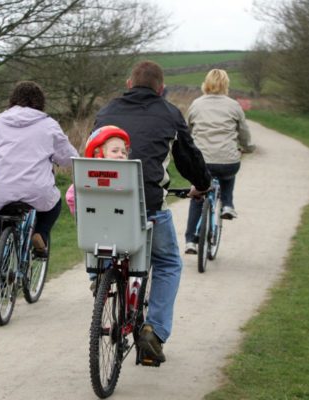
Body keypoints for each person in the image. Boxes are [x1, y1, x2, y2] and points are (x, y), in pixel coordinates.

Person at [93, 60, 211, 364]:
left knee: (109, 243)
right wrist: (202, 184)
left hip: (105, 208)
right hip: (149, 210)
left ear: (129, 84)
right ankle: (154, 331)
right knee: (168, 262)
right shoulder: (170, 113)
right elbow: (188, 159)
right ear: (161, 89)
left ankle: (101, 274)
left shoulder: (106, 112)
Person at [0, 81, 78, 293]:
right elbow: (68, 157)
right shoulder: (48, 124)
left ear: (13, 99)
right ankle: (40, 234)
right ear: (40, 102)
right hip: (37, 190)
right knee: (54, 206)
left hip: (3, 189)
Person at [184, 69, 255, 254]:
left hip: (202, 163)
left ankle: (190, 241)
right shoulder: (234, 106)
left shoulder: (196, 105)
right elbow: (244, 132)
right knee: (228, 174)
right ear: (226, 85)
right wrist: (248, 147)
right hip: (227, 161)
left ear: (206, 84)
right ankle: (228, 205)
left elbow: (187, 131)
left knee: (198, 196)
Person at [65, 125, 130, 290]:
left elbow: (71, 196)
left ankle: (99, 275)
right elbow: (72, 196)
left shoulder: (125, 176)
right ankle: (100, 276)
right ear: (98, 154)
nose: (121, 155)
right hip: (107, 227)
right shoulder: (91, 177)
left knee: (97, 239)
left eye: (124, 152)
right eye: (115, 151)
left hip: (109, 226)